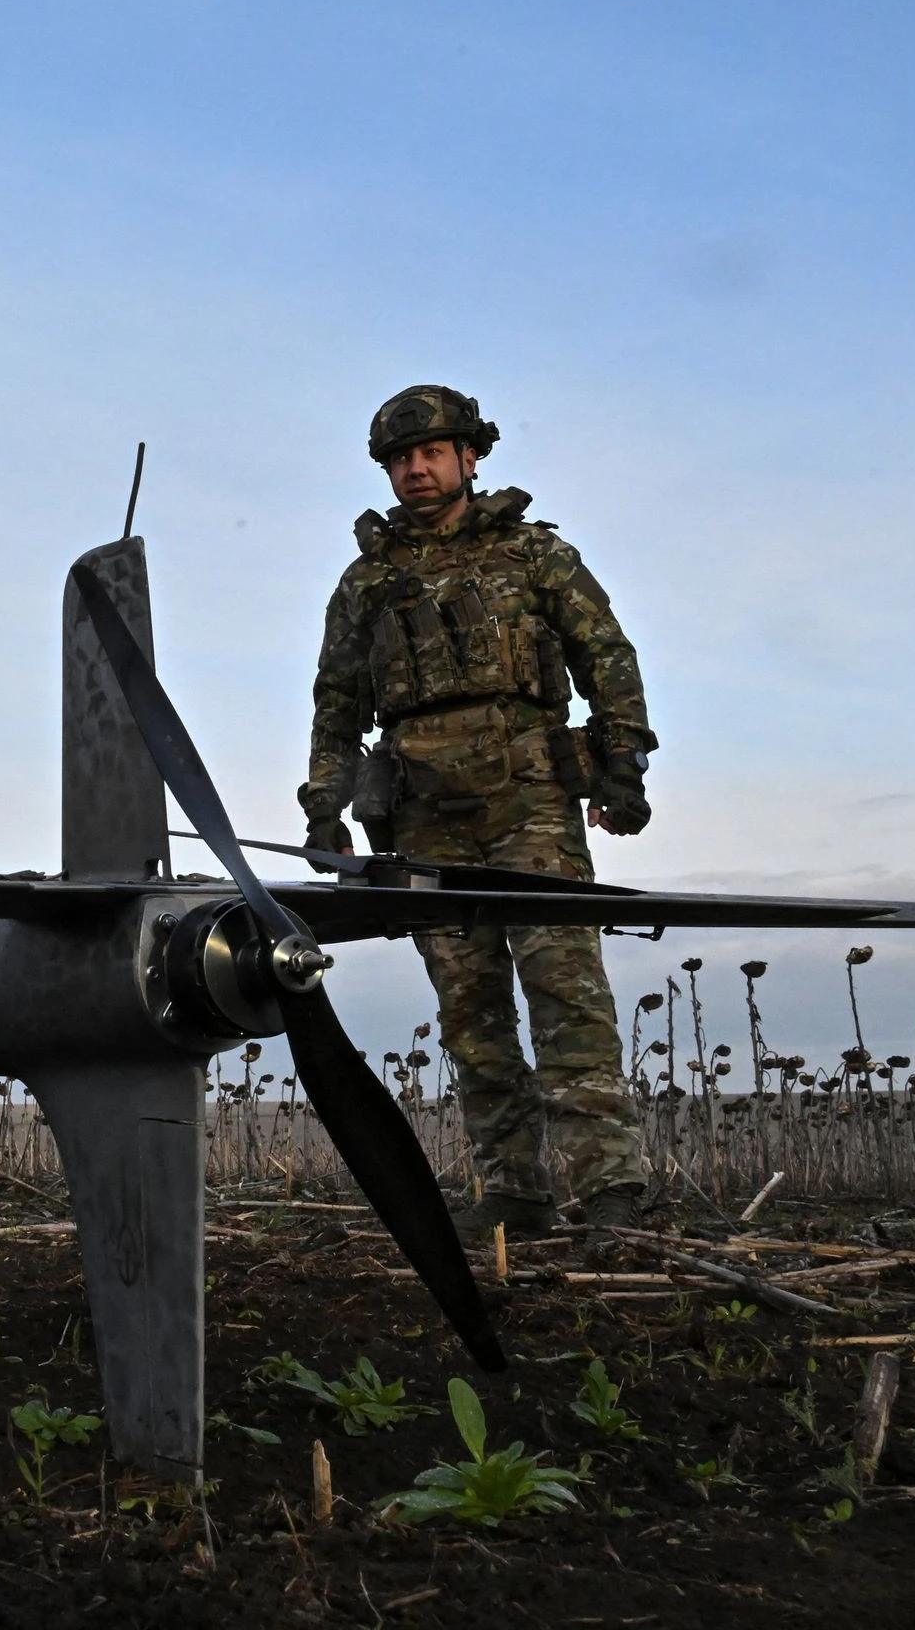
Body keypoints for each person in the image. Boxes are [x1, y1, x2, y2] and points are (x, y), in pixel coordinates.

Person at [298, 385, 657, 1236]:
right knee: (470, 1012)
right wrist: (325, 808)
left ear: (470, 456)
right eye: (398, 459)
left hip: (528, 797)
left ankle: (612, 1191)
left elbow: (606, 655)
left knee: (566, 992)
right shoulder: (368, 581)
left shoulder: (535, 556)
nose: (414, 470)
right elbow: (338, 701)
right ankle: (515, 1193)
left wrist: (622, 765)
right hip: (422, 812)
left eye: (430, 453)